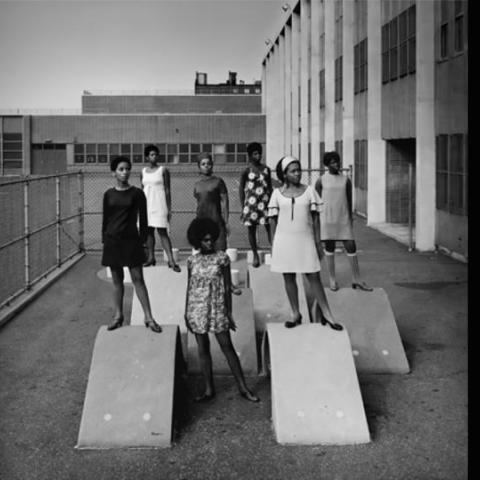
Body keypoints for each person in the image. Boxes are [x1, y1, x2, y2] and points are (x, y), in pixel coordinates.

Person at [184, 217, 260, 403]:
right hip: (196, 308)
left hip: (217, 307)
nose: (209, 243)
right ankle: (209, 389)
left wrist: (228, 312)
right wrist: (186, 311)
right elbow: (189, 286)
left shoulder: (222, 258)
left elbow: (227, 287)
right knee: (203, 349)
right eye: (205, 240)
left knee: (227, 346)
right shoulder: (191, 261)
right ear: (197, 240)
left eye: (211, 239)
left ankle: (243, 387)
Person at [268, 156, 343, 331]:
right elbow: (272, 221)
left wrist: (318, 242)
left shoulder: (309, 191)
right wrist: (272, 245)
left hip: (305, 239)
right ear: (285, 174)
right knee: (288, 277)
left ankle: (327, 313)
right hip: (283, 240)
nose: (298, 173)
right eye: (293, 171)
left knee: (314, 277)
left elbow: (316, 219)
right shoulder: (276, 194)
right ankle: (295, 313)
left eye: (299, 170)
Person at [101, 156, 162, 333]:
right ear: (113, 172)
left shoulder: (137, 193)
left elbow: (144, 221)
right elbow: (106, 220)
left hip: (131, 242)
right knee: (117, 282)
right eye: (121, 169)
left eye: (127, 168)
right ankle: (118, 316)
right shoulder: (108, 194)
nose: (125, 172)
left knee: (138, 280)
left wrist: (143, 243)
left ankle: (149, 318)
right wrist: (105, 241)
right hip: (113, 242)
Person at [315, 151, 372, 291]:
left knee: (351, 245)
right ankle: (332, 280)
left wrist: (350, 218)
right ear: (327, 165)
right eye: (333, 162)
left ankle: (357, 279)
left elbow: (349, 200)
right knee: (330, 247)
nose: (336, 164)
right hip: (327, 219)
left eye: (337, 161)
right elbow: (316, 201)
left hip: (343, 218)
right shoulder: (321, 180)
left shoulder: (346, 180)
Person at [141, 144, 181, 272]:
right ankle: (151, 258)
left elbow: (168, 190)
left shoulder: (163, 170)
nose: (154, 157)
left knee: (163, 232)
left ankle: (171, 260)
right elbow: (141, 190)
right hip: (146, 205)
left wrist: (169, 208)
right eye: (151, 155)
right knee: (148, 233)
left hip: (159, 204)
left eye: (156, 154)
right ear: (147, 157)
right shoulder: (143, 172)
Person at [239, 142, 272, 268]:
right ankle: (255, 255)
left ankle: (273, 251)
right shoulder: (246, 171)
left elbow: (270, 187)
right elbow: (241, 188)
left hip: (265, 204)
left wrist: (272, 204)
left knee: (269, 227)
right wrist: (243, 206)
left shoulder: (266, 169)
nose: (258, 156)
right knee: (251, 230)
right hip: (251, 205)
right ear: (250, 155)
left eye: (260, 153)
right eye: (255, 154)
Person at [193, 153, 229, 252]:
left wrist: (226, 222)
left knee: (220, 252)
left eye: (208, 163)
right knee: (205, 253)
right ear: (199, 166)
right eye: (203, 164)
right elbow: (197, 203)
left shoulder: (218, 181)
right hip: (202, 222)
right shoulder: (197, 184)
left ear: (212, 165)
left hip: (216, 221)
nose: (206, 166)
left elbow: (225, 202)